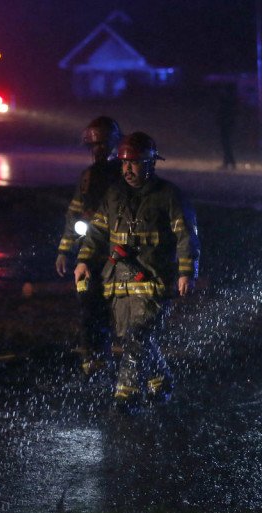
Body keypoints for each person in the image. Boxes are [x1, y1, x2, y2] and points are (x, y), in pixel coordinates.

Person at [74, 132, 200, 410]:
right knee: (131, 337)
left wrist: (186, 272)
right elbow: (96, 232)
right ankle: (160, 380)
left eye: (135, 163)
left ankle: (125, 393)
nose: (128, 169)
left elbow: (186, 236)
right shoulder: (114, 195)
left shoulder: (169, 196)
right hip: (118, 282)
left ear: (150, 164)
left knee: (139, 336)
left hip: (154, 280)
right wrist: (83, 261)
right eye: (124, 163)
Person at [55, 116, 123, 377]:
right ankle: (91, 357)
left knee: (121, 306)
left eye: (103, 145)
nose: (99, 151)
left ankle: (123, 355)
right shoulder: (87, 177)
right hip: (89, 252)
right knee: (89, 304)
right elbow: (74, 214)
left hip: (117, 251)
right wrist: (64, 250)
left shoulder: (125, 173)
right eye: (94, 146)